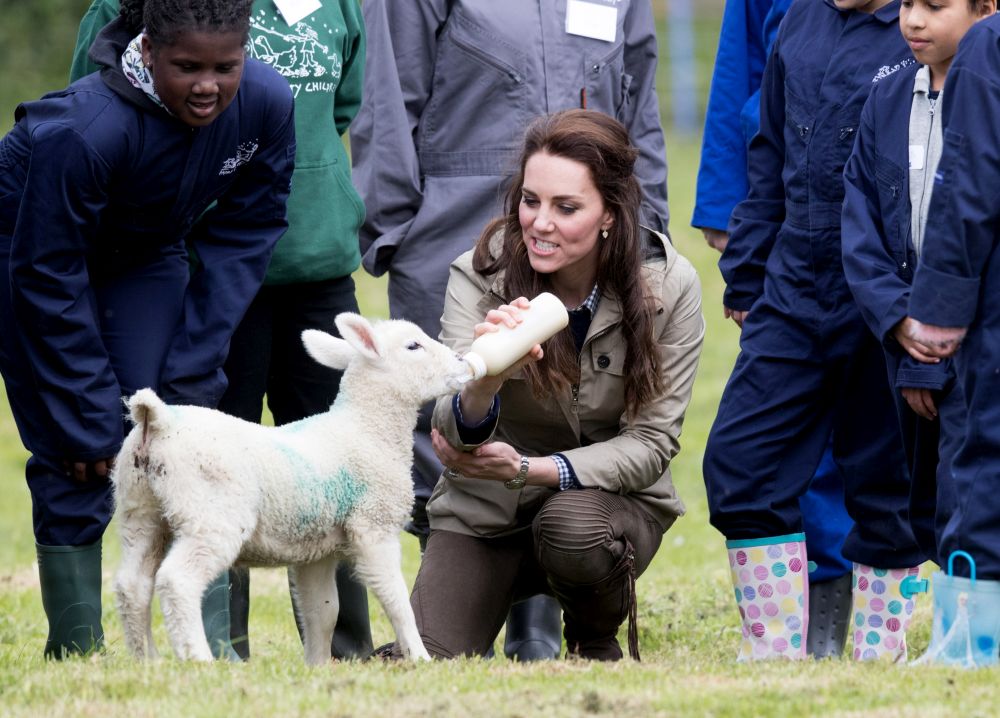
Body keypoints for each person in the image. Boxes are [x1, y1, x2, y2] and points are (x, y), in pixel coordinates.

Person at [351, 0, 670, 660]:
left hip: (591, 246)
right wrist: (395, 231)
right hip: (453, 227)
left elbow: (641, 114)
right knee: (449, 427)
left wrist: (647, 234)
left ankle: (541, 623)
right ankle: (454, 592)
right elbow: (389, 93)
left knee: (572, 409)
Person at [70, 0, 374, 662]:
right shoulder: (149, 8)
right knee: (216, 472)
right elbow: (94, 102)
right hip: (208, 279)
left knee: (337, 470)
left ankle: (345, 649)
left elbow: (342, 108)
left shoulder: (339, 6)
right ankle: (217, 643)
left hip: (315, 261)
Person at [0, 0, 295, 659]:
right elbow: (47, 274)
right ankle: (75, 650)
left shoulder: (267, 103)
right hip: (29, 250)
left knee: (177, 431)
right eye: (187, 67)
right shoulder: (84, 130)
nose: (208, 86)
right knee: (78, 449)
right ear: (149, 51)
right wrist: (81, 409)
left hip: (145, 252)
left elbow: (247, 232)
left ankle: (207, 650)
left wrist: (194, 369)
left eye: (226, 67)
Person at [379, 109, 703, 662]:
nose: (540, 223)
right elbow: (447, 425)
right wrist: (486, 381)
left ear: (610, 213)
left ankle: (592, 639)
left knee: (572, 526)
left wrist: (532, 470)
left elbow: (651, 445)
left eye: (566, 207)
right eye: (531, 200)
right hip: (485, 505)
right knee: (425, 660)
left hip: (604, 511)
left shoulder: (669, 286)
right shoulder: (480, 275)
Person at [702, 0, 929, 663]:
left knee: (886, 477)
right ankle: (774, 649)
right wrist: (747, 272)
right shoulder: (799, 20)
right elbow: (768, 149)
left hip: (888, 292)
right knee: (740, 462)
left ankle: (877, 652)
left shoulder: (927, 29)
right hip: (794, 286)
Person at [692, 0, 855, 658]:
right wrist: (728, 212)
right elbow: (742, 68)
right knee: (766, 445)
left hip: (885, 253)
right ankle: (784, 635)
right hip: (790, 227)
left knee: (872, 459)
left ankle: (852, 618)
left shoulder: (913, 26)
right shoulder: (797, 25)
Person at [842, 0, 995, 571]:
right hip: (904, 332)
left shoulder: (989, 93)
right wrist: (902, 322)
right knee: (924, 496)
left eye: (936, 6)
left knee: (970, 489)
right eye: (907, 3)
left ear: (987, 10)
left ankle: (972, 624)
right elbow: (859, 224)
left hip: (979, 332)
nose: (914, 20)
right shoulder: (885, 97)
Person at [907, 11, 1000, 653]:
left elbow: (967, 186)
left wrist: (939, 309)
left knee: (980, 455)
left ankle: (973, 644)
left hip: (991, 307)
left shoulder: (986, 50)